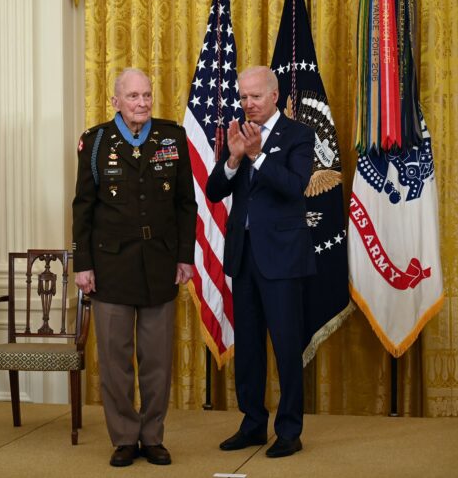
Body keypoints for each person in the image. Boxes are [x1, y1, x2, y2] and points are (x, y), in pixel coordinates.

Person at [72, 68, 197, 467]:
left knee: (157, 361)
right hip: (110, 267)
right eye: (133, 97)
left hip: (160, 263)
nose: (142, 103)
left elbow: (184, 204)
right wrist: (83, 265)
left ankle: (153, 436)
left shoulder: (171, 137)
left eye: (147, 95)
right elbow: (83, 208)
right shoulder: (95, 143)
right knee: (115, 360)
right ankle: (125, 437)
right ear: (115, 102)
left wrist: (184, 256)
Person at [206, 66, 316, 458]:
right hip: (245, 256)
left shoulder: (299, 135)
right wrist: (234, 159)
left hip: (283, 259)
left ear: (275, 96)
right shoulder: (237, 134)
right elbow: (215, 191)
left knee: (286, 347)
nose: (247, 104)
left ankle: (289, 430)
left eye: (254, 97)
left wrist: (258, 156)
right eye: (243, 97)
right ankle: (253, 424)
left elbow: (295, 187)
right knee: (249, 347)